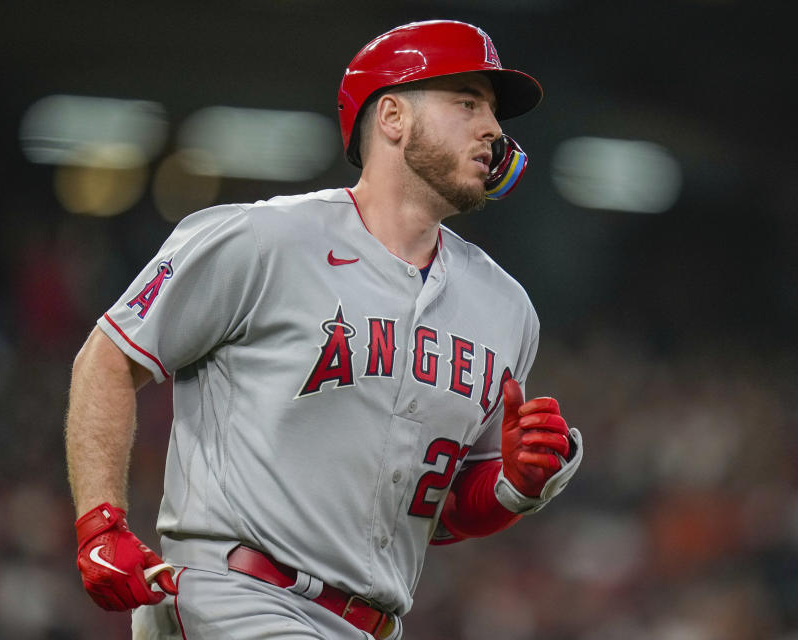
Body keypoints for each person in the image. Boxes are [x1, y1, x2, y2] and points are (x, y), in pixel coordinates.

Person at [66, 19, 583, 639]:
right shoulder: (264, 240)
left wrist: (511, 487)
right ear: (392, 117)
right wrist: (101, 523)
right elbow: (109, 356)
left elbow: (432, 510)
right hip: (234, 598)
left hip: (368, 625)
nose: (494, 130)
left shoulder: (505, 308)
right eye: (466, 102)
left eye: (493, 112)